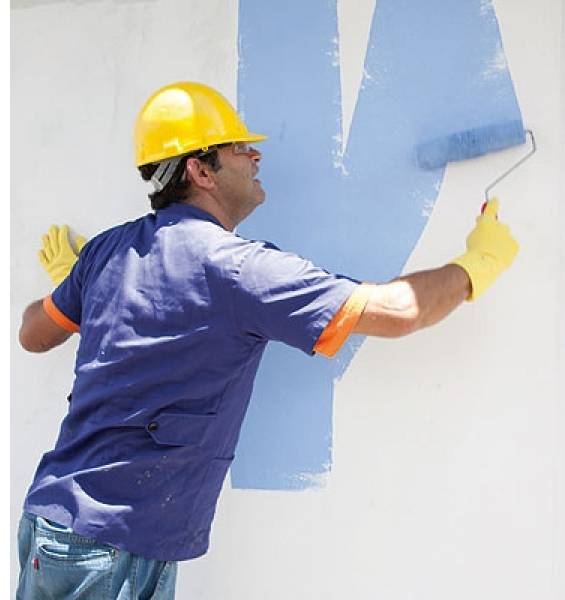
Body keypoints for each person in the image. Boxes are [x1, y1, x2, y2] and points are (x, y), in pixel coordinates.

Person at [16, 81, 519, 599]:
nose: (255, 154)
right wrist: (476, 264)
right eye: (238, 147)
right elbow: (399, 312)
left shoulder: (107, 253)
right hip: (112, 548)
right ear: (200, 170)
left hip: (55, 526)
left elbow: (33, 334)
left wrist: (75, 287)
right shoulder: (239, 270)